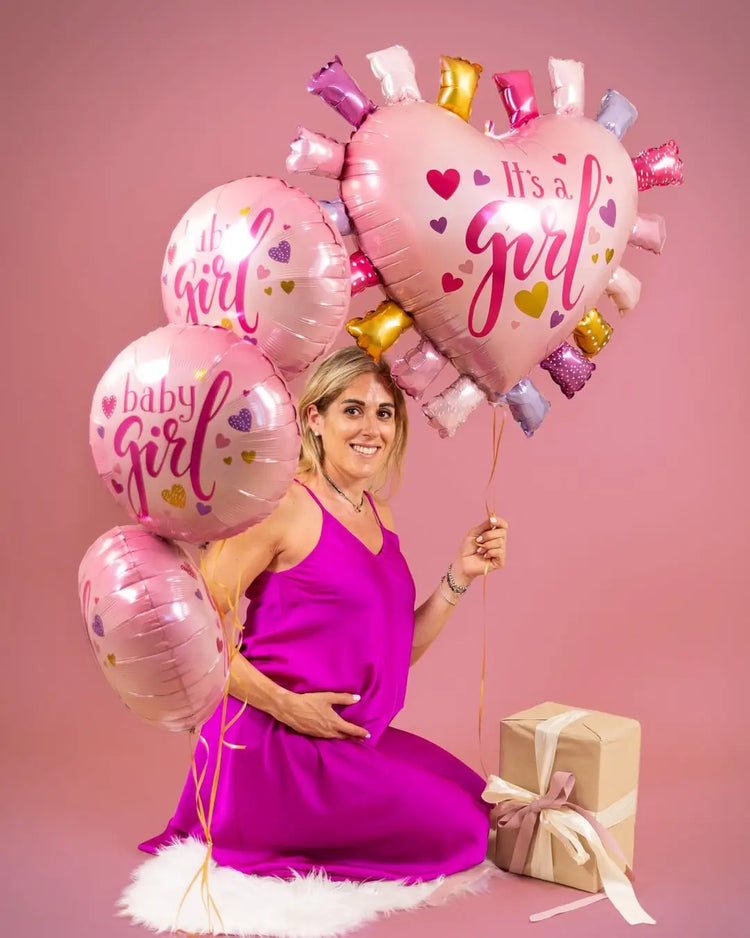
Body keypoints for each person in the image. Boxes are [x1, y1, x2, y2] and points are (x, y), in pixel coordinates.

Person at [139, 346, 509, 884]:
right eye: (352, 409)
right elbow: (198, 635)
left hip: (346, 738)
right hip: (271, 747)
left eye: (385, 413)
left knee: (479, 799)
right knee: (465, 834)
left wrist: (460, 574)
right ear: (315, 418)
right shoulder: (284, 506)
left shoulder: (377, 511)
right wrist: (289, 708)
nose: (371, 428)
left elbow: (396, 651)